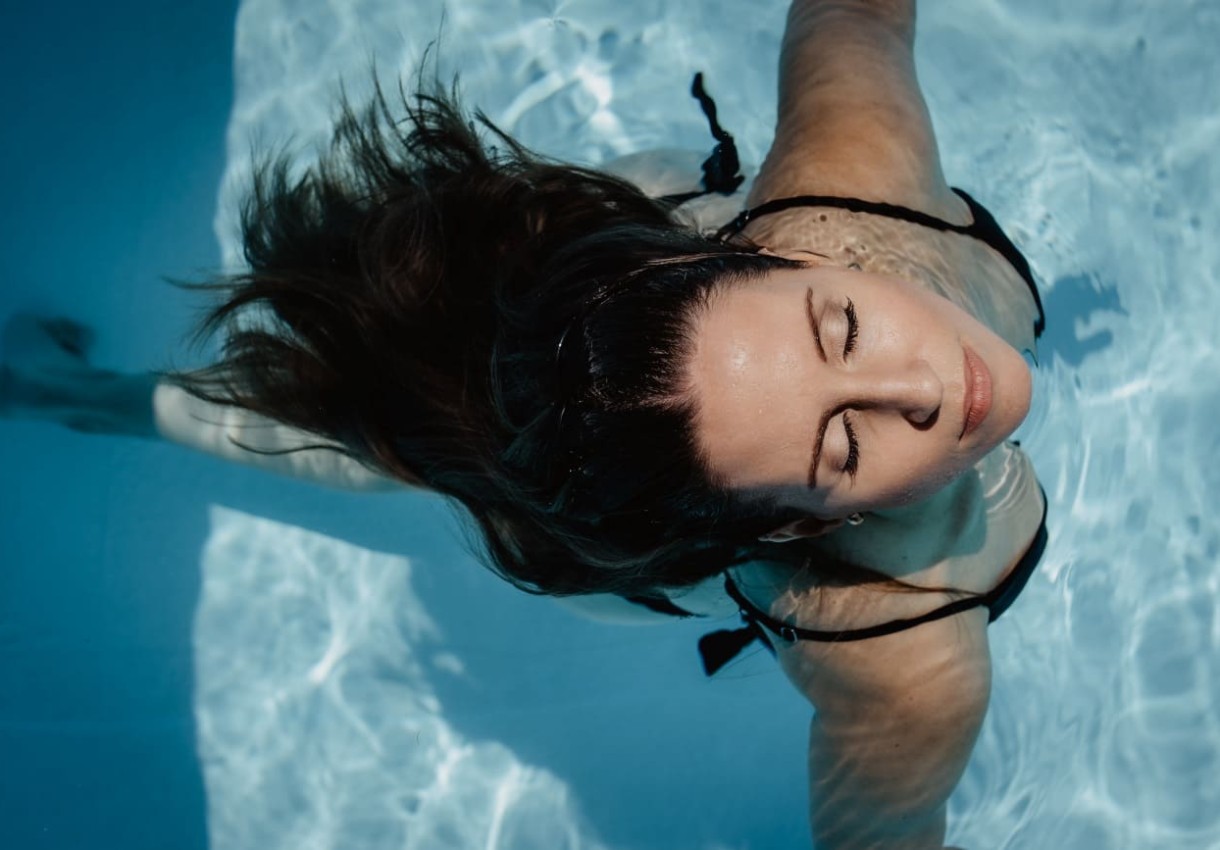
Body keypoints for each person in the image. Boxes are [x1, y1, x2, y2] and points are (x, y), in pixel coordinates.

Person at [2, 1, 1048, 847]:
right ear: (794, 527)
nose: (921, 385)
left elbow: (854, 14)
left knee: (524, 305)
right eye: (844, 447)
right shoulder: (904, 664)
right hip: (625, 535)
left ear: (781, 253)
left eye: (842, 325)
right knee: (425, 451)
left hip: (631, 260)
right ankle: (77, 395)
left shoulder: (852, 168)